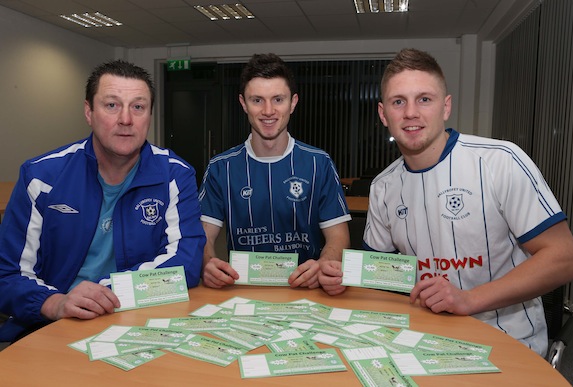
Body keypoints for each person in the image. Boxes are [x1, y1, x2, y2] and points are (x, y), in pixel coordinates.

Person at [319, 48, 573, 356]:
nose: (411, 112)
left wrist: (468, 300)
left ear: (446, 107)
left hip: (506, 343)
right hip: (421, 340)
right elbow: (380, 275)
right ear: (383, 114)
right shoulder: (383, 187)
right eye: (398, 101)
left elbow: (565, 258)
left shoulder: (500, 161)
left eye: (424, 99)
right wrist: (345, 278)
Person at [0, 60, 206, 343]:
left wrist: (107, 292)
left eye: (138, 107)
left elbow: (186, 262)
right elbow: (8, 274)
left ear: (149, 115)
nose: (126, 119)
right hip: (49, 326)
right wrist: (57, 303)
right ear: (89, 112)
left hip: (138, 321)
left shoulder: (174, 175)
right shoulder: (40, 176)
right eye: (112, 105)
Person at [199, 53, 351, 289]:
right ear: (243, 104)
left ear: (293, 102)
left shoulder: (318, 163)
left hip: (305, 288)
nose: (268, 110)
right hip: (242, 290)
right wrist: (207, 263)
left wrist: (324, 263)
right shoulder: (221, 167)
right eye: (257, 100)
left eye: (278, 99)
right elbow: (204, 236)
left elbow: (339, 236)